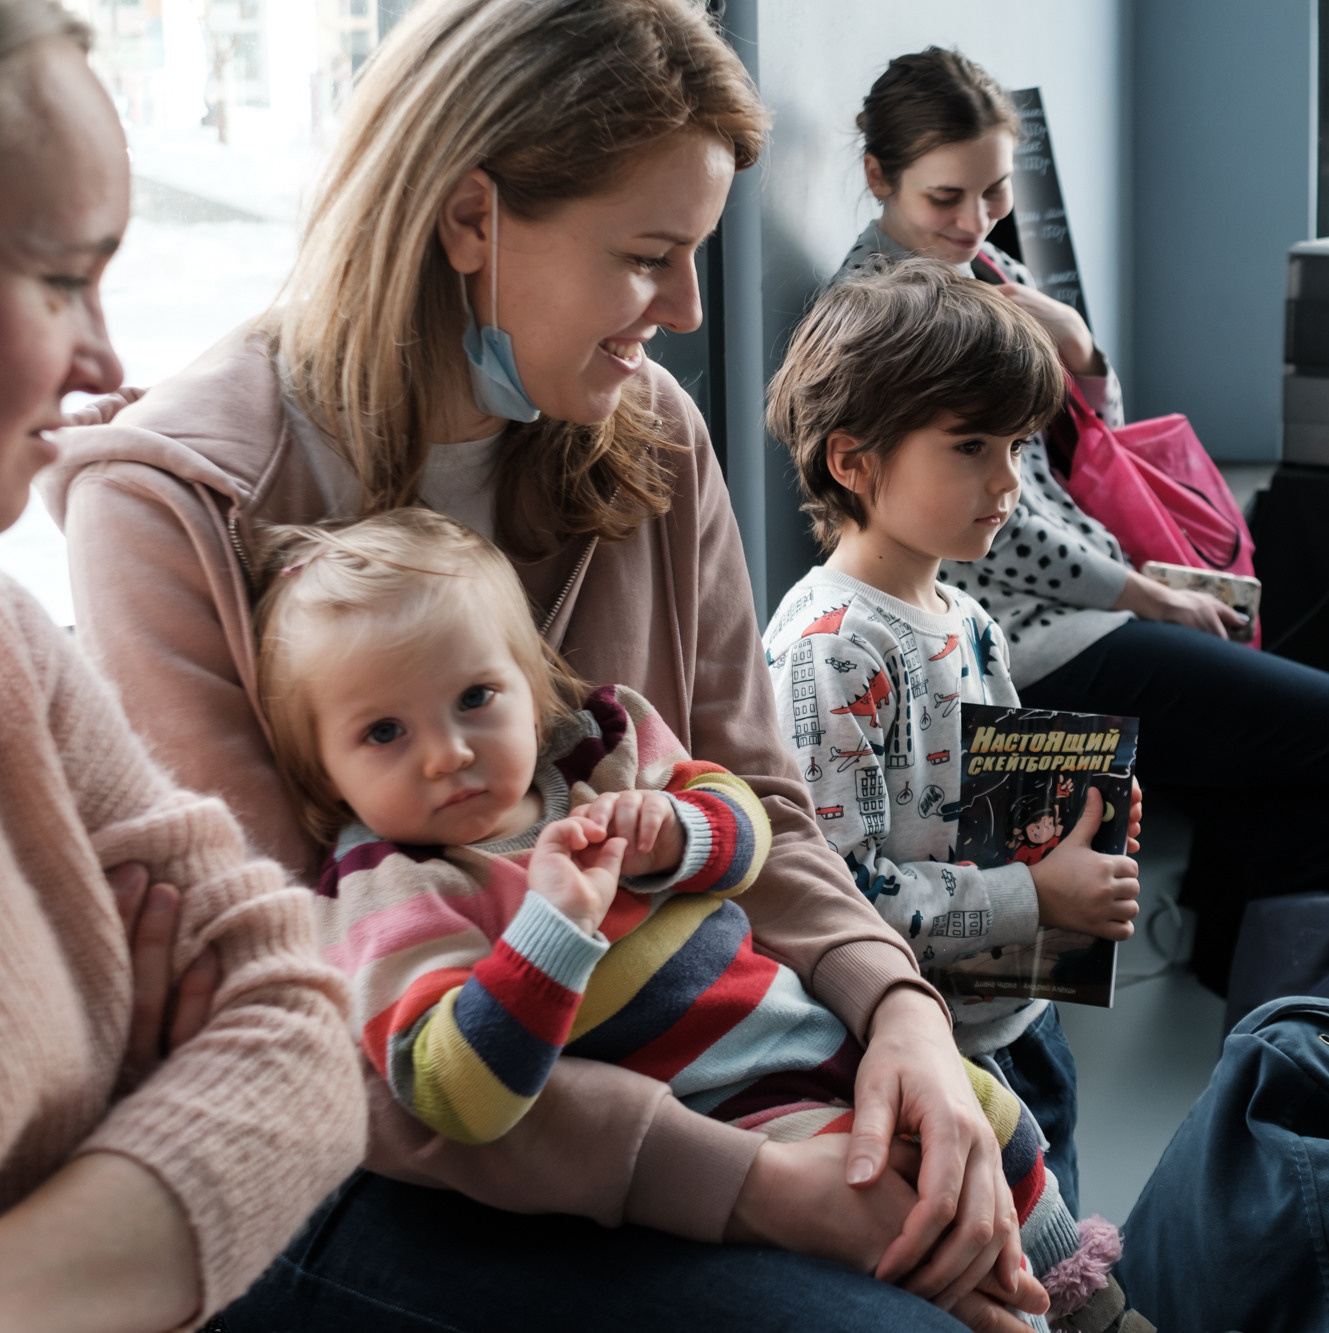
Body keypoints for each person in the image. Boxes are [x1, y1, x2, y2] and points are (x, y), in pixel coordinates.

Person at [46, 2, 1042, 1328]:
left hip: (689, 1049)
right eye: (648, 255)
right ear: (472, 221)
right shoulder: (168, 507)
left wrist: (899, 1014)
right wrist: (754, 1183)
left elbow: (757, 800)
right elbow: (294, 1029)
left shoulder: (652, 438)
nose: (686, 309)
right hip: (390, 1149)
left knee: (1019, 1150)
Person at [258, 507, 1142, 1332]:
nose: (447, 752)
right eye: (382, 733)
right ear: (324, 774)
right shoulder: (396, 886)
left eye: (475, 698)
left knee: (994, 1116)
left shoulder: (597, 748)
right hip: (730, 1111)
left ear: (529, 685)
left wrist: (676, 831)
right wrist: (554, 931)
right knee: (919, 1216)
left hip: (816, 1031)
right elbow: (451, 1090)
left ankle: (1085, 1299)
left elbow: (747, 824)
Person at [839, 47, 1329, 994]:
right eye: (944, 199)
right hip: (1032, 641)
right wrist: (1147, 594)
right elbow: (996, 522)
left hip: (1067, 613)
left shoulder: (975, 267)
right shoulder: (895, 312)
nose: (972, 218)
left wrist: (1069, 335)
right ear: (878, 178)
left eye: (994, 190)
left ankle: (1269, 1015)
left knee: (1289, 807)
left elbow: (1085, 440)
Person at [0, 3, 366, 1328]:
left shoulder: (14, 652)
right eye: (57, 280)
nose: (107, 360)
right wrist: (130, 1109)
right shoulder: (162, 498)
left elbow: (297, 1023)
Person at [763, 261, 1145, 1220]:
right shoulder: (832, 650)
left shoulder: (965, 615)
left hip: (1019, 1018)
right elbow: (838, 901)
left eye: (1016, 444)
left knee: (1070, 1261)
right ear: (853, 461)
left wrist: (1081, 833)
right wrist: (1037, 889)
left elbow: (998, 808)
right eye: (971, 445)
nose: (1009, 480)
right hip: (932, 1054)